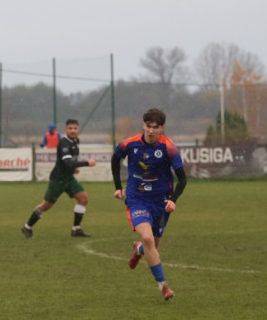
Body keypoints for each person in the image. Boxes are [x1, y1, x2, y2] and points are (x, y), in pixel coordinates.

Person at [111, 107, 187, 301]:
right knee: (148, 239)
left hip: (160, 201)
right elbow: (115, 158)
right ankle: (164, 287)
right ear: (143, 125)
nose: (151, 131)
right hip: (137, 199)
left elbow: (183, 179)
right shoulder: (130, 144)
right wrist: (119, 187)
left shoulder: (168, 147)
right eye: (148, 126)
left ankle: (138, 251)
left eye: (155, 127)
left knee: (152, 246)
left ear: (162, 128)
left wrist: (172, 200)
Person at [22, 118, 96, 238]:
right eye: (70, 128)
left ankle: (76, 229)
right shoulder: (63, 143)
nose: (73, 131)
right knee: (46, 205)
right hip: (58, 179)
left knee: (83, 199)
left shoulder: (76, 141)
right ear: (65, 130)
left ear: (78, 129)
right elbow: (67, 162)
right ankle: (27, 227)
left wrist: (74, 168)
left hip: (69, 178)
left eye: (75, 128)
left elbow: (71, 161)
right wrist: (87, 163)